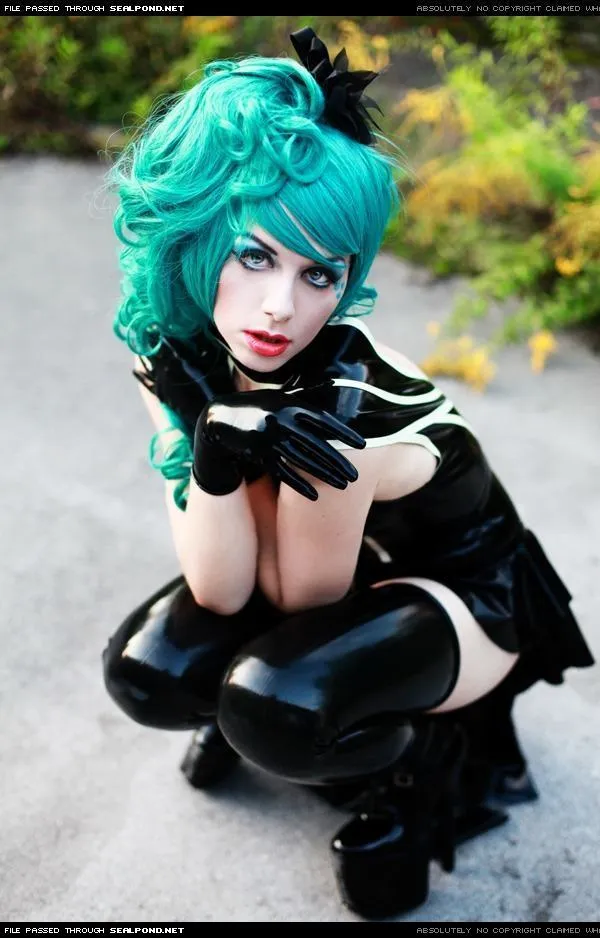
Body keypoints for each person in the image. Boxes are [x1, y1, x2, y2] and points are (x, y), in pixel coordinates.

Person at [102, 27, 595, 919]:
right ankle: (255, 723)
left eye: (319, 273)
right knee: (152, 672)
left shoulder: (343, 411)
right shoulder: (169, 350)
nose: (280, 307)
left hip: (465, 592)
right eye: (255, 254)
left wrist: (240, 462)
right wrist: (213, 446)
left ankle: (410, 773)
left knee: (278, 701)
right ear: (197, 234)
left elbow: (299, 600)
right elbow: (220, 589)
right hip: (344, 561)